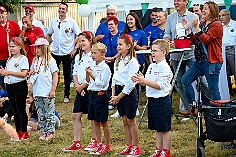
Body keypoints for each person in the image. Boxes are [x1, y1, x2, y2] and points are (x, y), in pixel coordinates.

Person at [132, 39, 173, 157]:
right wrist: (140, 80)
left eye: (155, 51)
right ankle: (158, 149)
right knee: (157, 127)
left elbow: (159, 85)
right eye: (151, 50)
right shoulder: (151, 66)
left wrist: (144, 81)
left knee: (164, 128)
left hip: (161, 101)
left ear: (164, 52)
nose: (152, 53)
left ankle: (166, 151)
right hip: (152, 100)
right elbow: (148, 82)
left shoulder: (165, 67)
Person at [181, 1, 223, 115]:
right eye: (203, 8)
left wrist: (196, 27)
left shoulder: (217, 24)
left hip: (211, 61)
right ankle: (193, 106)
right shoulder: (203, 24)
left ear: (212, 11)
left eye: (205, 8)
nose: (203, 11)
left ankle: (216, 115)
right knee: (185, 80)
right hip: (199, 61)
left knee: (213, 89)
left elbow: (206, 39)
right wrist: (189, 29)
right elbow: (196, 41)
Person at [62, 31, 98, 151]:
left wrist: (83, 86)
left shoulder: (93, 56)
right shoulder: (78, 56)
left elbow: (93, 75)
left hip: (90, 89)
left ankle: (95, 140)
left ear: (90, 41)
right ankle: (76, 142)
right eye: (79, 41)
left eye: (83, 41)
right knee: (75, 115)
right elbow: (75, 72)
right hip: (80, 90)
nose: (81, 43)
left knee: (93, 117)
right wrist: (78, 86)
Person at [164, 0, 198, 114]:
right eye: (175, 1)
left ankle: (211, 104)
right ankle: (189, 109)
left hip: (191, 54)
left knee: (202, 80)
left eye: (179, 0)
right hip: (176, 56)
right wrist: (167, 42)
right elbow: (167, 34)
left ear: (186, 2)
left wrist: (182, 42)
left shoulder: (193, 16)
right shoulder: (170, 18)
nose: (176, 3)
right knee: (180, 83)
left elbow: (196, 38)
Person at [109, 34, 141, 157]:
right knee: (124, 120)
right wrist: (113, 95)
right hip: (118, 92)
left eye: (121, 44)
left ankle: (136, 147)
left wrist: (119, 96)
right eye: (118, 44)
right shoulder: (118, 60)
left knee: (131, 120)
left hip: (127, 93)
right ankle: (128, 145)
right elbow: (114, 78)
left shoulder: (132, 62)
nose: (118, 46)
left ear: (128, 46)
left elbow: (130, 83)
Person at [47, 2, 81, 103]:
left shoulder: (71, 22)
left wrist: (75, 48)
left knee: (67, 75)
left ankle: (66, 95)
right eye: (60, 8)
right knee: (52, 73)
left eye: (63, 9)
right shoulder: (54, 21)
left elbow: (79, 35)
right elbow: (49, 34)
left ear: (66, 10)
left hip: (67, 52)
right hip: (55, 52)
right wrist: (47, 46)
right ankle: (50, 92)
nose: (61, 10)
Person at [29, 37, 58, 140]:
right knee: (40, 113)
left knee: (49, 112)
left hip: (47, 92)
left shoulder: (51, 60)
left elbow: (55, 75)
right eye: (35, 48)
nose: (36, 50)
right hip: (37, 92)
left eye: (38, 48)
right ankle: (43, 131)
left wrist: (53, 89)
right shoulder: (35, 60)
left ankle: (50, 131)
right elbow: (32, 73)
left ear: (44, 48)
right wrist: (31, 73)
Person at [0, 37, 29, 140]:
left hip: (19, 85)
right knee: (15, 109)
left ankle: (24, 131)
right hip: (10, 85)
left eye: (13, 46)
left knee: (21, 109)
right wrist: (4, 72)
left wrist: (9, 72)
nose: (11, 49)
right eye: (10, 47)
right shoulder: (9, 59)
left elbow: (24, 73)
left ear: (19, 47)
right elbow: (8, 72)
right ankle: (18, 131)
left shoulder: (23, 59)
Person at [86, 43, 111, 155]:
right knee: (95, 121)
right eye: (92, 53)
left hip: (101, 95)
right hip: (92, 94)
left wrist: (92, 75)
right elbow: (88, 81)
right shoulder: (92, 64)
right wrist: (88, 74)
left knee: (103, 121)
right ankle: (99, 143)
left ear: (102, 54)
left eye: (95, 53)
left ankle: (106, 144)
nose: (92, 55)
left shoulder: (105, 68)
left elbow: (102, 84)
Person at [123, 12, 148, 114]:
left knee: (135, 83)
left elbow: (145, 48)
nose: (129, 21)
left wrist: (135, 47)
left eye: (131, 19)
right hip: (125, 62)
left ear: (136, 21)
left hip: (139, 61)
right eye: (128, 20)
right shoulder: (124, 34)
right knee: (125, 82)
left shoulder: (141, 33)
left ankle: (136, 106)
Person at [102, 16, 122, 111]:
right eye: (108, 25)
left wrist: (114, 58)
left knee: (117, 80)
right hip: (107, 61)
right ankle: (110, 100)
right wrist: (104, 58)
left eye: (111, 24)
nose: (110, 26)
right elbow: (103, 48)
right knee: (109, 80)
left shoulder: (121, 35)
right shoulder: (106, 36)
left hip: (118, 61)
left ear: (116, 25)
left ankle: (117, 99)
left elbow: (122, 49)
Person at [0, 6, 21, 90]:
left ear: (6, 14)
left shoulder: (13, 24)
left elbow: (19, 39)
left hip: (12, 57)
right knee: (1, 80)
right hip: (0, 58)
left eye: (1, 13)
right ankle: (4, 99)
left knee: (13, 78)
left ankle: (12, 98)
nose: (0, 15)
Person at [219, 9, 236, 96]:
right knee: (225, 72)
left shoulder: (234, 25)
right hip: (222, 51)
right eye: (220, 16)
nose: (221, 18)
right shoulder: (220, 26)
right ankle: (228, 92)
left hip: (232, 50)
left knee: (234, 70)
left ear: (229, 15)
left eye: (223, 15)